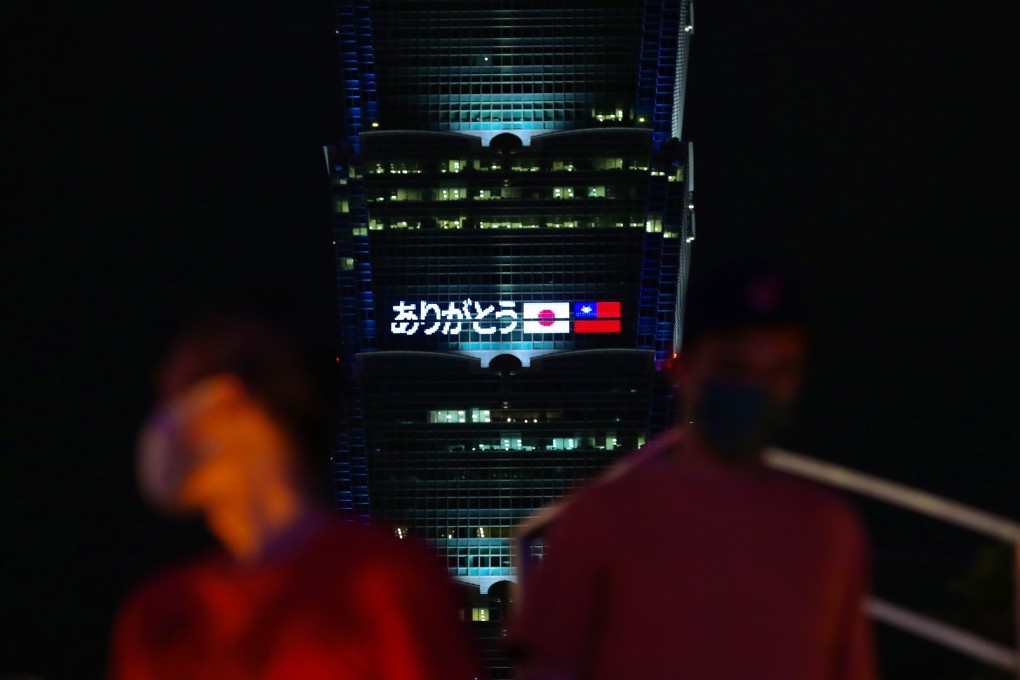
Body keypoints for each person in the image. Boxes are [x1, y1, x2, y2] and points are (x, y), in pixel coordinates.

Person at [509, 262, 876, 679]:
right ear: (685, 368)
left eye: (779, 372)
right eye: (733, 369)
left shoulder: (827, 527)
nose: (755, 390)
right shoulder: (602, 518)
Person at [109, 313, 479, 680]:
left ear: (231, 402)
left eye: (179, 399)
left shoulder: (383, 578)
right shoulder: (160, 614)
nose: (165, 427)